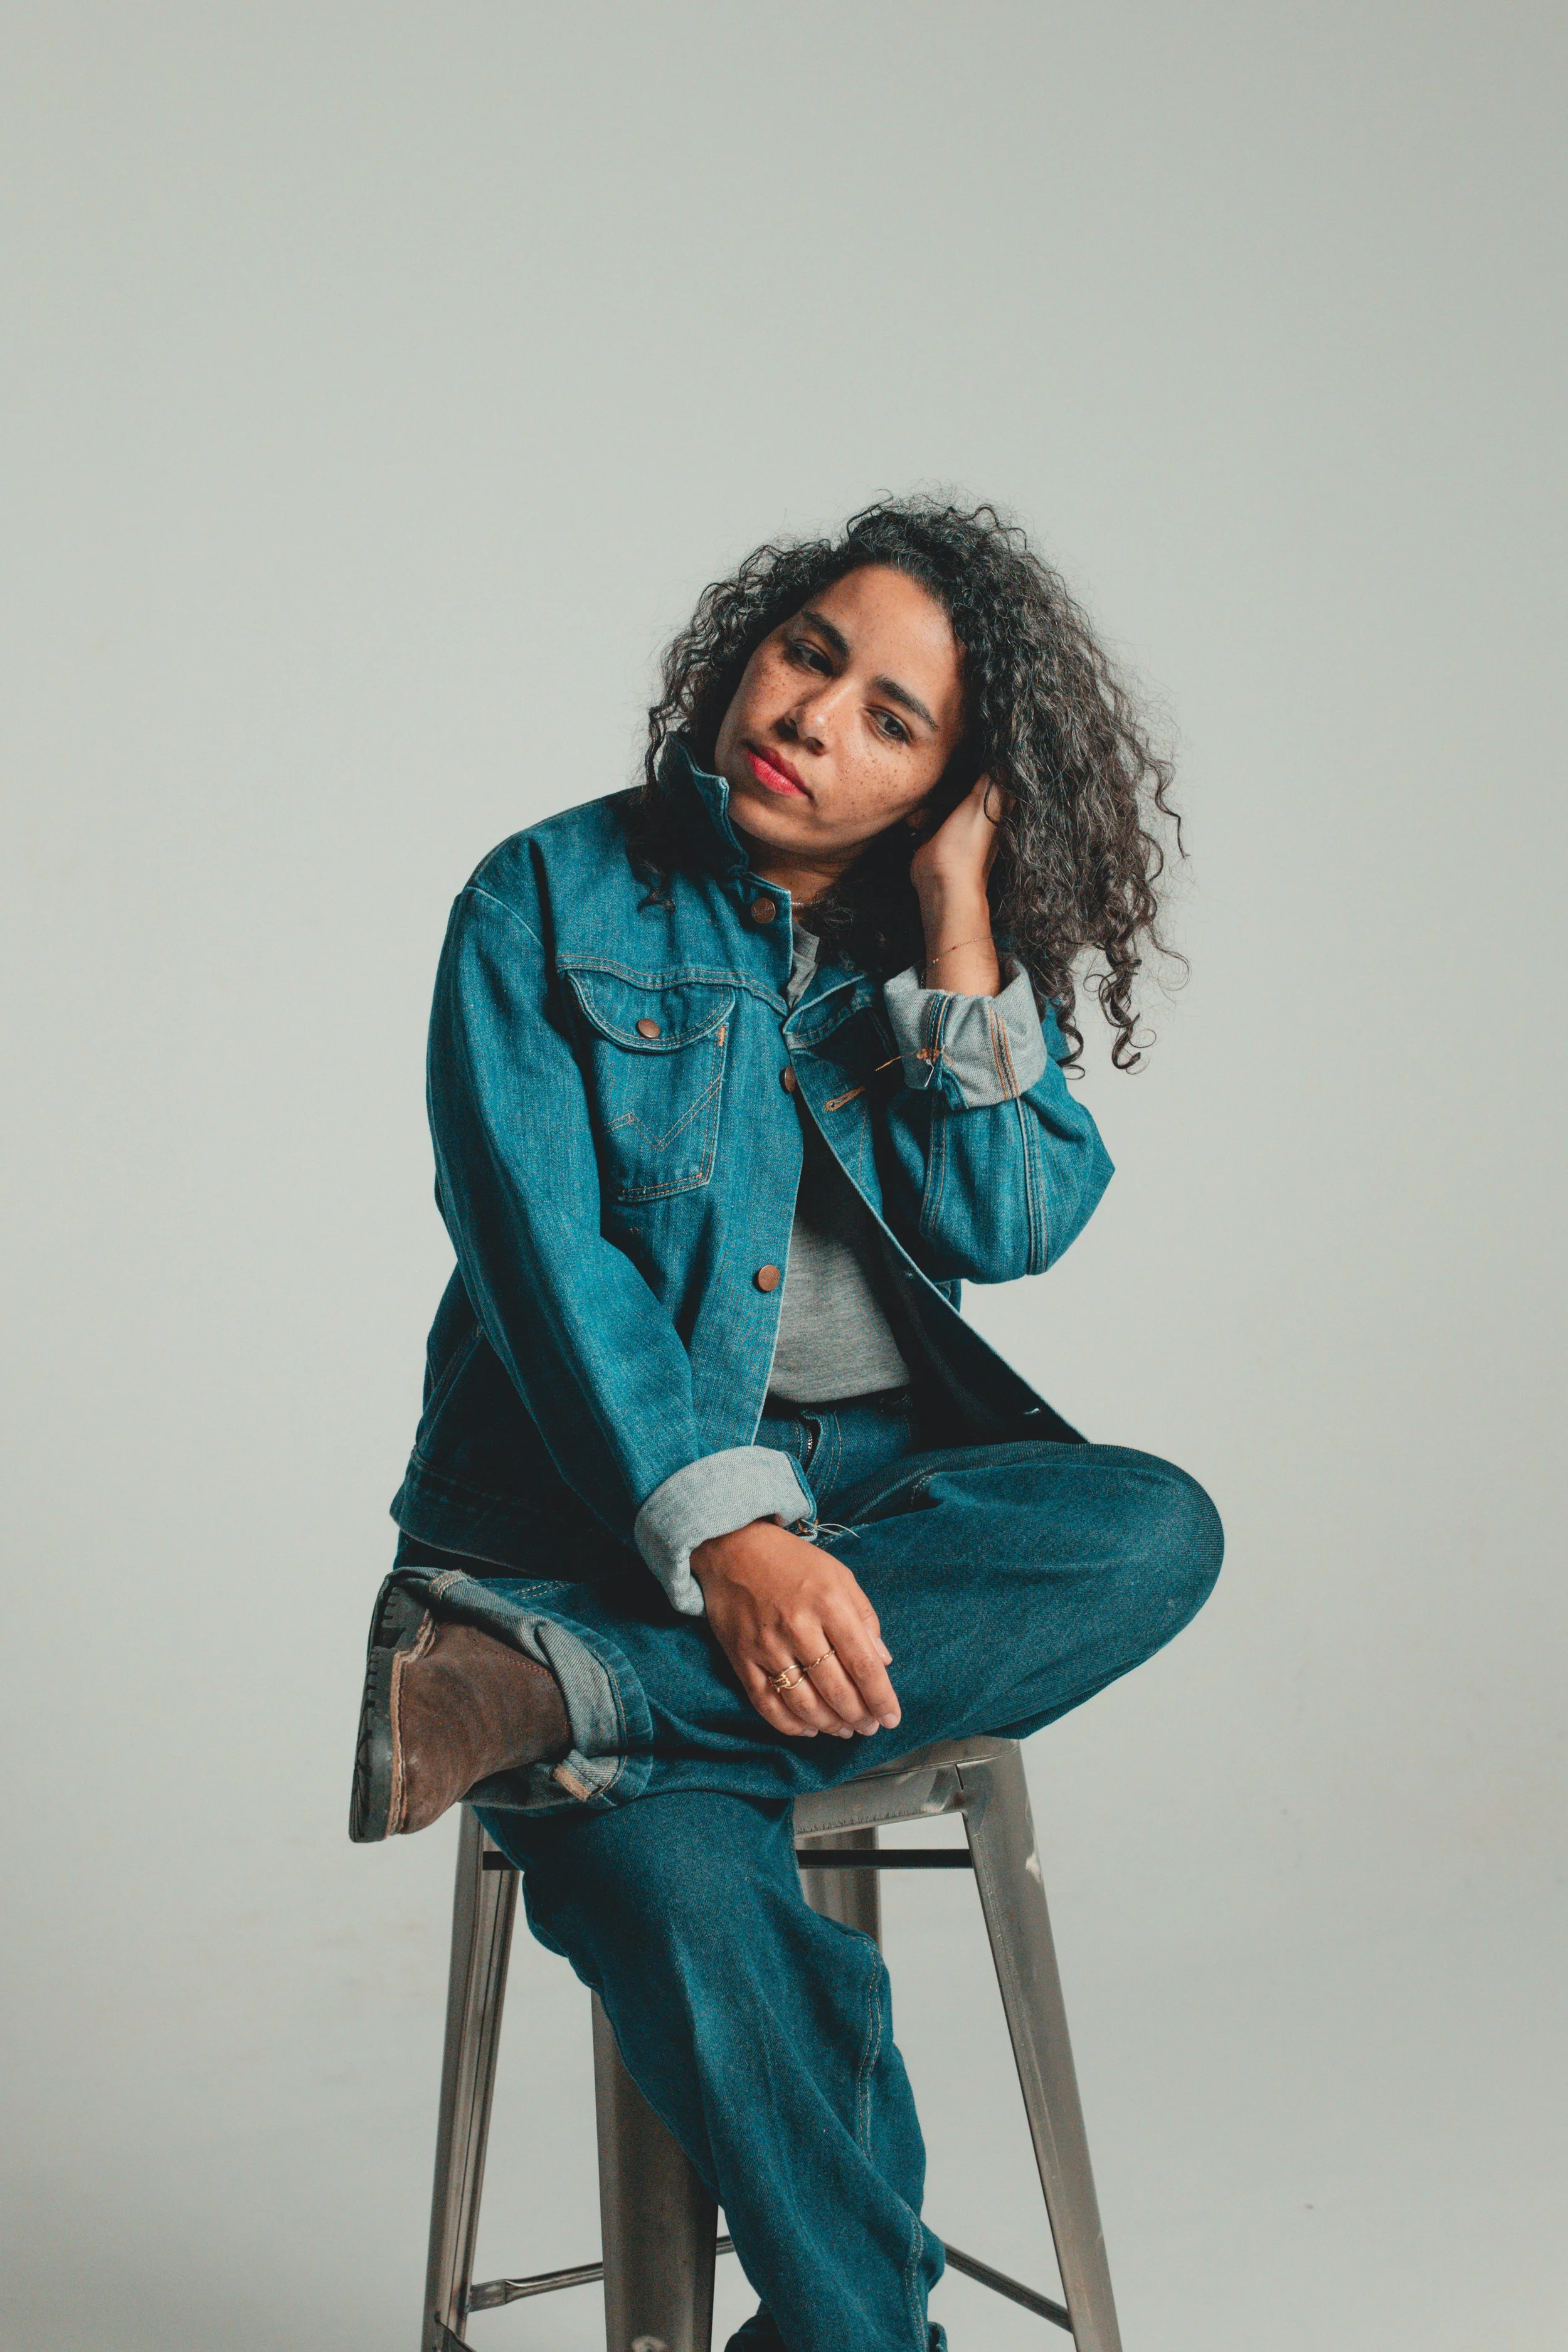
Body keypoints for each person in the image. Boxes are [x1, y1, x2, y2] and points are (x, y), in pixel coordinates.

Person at [349, 497, 1222, 2351]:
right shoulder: (546, 897)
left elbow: (1013, 1218)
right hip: (570, 1531)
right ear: (753, 641)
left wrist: (964, 920)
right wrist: (725, 1537)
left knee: (1152, 1525)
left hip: (856, 1535)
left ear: (942, 786)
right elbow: (547, 1262)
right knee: (703, 1924)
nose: (815, 713)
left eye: (893, 720)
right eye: (812, 652)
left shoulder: (921, 957)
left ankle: (560, 1693)